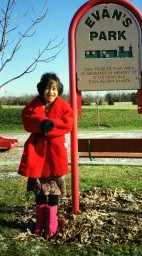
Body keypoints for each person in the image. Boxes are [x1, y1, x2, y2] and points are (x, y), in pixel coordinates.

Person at [18, 72, 73, 238]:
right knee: (40, 192)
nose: (51, 91)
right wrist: (41, 124)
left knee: (54, 193)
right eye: (48, 88)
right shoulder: (34, 105)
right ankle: (40, 223)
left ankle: (52, 224)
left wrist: (51, 125)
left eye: (55, 88)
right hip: (37, 155)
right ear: (42, 89)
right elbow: (27, 119)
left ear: (59, 91)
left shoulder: (63, 106)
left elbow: (68, 123)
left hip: (55, 156)